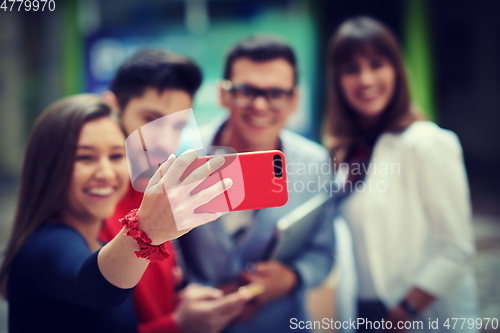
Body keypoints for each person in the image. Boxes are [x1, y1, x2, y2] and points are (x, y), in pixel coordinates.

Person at [0, 94, 241, 333]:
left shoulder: (100, 243)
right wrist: (147, 227)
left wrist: (180, 302)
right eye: (85, 157)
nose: (105, 172)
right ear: (49, 167)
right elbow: (96, 287)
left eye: (116, 156)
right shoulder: (45, 245)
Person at [324, 17, 478, 332]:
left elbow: (456, 248)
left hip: (414, 315)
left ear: (397, 69)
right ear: (337, 80)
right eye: (351, 69)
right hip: (360, 312)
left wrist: (405, 310)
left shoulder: (426, 142)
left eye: (376, 64)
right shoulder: (346, 150)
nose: (365, 79)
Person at [178, 35, 336, 333]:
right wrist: (191, 291)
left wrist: (292, 278)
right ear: (223, 95)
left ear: (294, 100)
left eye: (276, 93)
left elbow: (323, 252)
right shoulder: (182, 156)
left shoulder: (314, 163)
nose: (260, 106)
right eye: (246, 91)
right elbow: (162, 250)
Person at [101, 49, 251, 333]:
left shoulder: (152, 187)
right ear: (112, 107)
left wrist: (181, 300)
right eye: (150, 118)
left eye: (177, 125)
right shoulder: (91, 201)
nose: (164, 141)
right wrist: (178, 324)